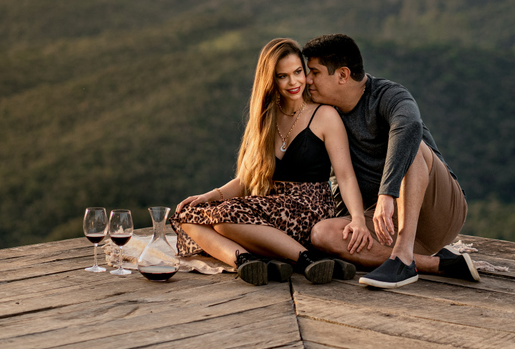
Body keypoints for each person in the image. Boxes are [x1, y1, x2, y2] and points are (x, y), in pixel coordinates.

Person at [171, 38, 372, 286]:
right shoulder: (266, 118)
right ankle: (248, 262)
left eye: (298, 72)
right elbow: (246, 180)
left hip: (309, 209)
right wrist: (209, 196)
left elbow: (345, 176)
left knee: (224, 218)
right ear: (271, 80)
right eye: (283, 76)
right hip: (270, 208)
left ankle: (306, 259)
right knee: (188, 215)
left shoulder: (324, 115)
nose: (294, 82)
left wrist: (358, 219)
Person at [304, 34, 480, 289]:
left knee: (413, 144)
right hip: (383, 223)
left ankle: (403, 258)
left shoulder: (387, 94)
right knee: (323, 234)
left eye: (315, 72)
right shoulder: (324, 113)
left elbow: (409, 125)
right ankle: (436, 264)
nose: (308, 80)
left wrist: (388, 193)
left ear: (342, 75)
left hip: (437, 211)